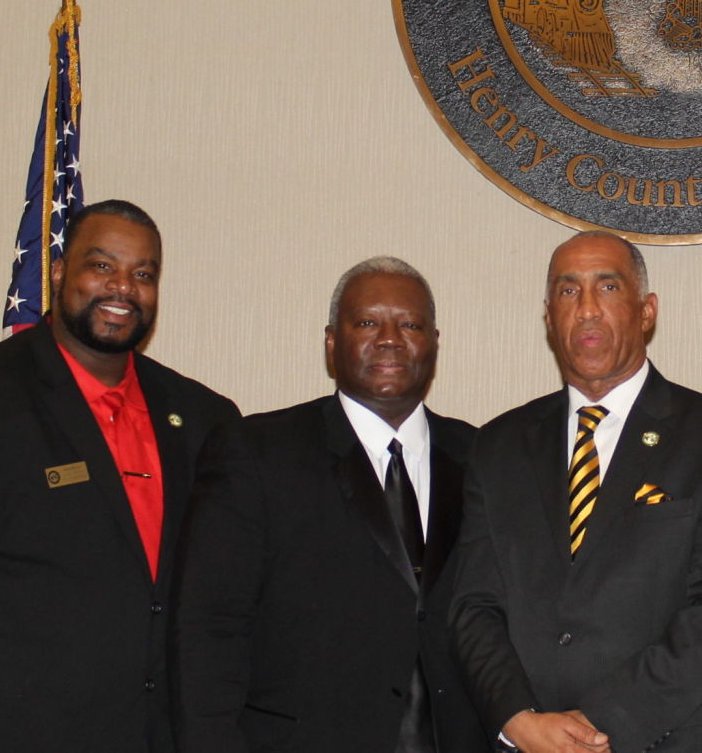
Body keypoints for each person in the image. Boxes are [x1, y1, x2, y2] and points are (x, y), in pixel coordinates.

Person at [0, 200, 239, 753]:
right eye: (102, 265)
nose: (122, 287)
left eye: (143, 274)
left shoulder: (205, 418)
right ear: (59, 271)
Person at [451, 230, 702, 753]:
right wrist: (517, 720)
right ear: (549, 316)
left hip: (667, 738)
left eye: (607, 287)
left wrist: (600, 722)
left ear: (647, 311)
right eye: (568, 291)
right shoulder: (499, 445)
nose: (588, 310)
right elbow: (474, 606)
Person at [172, 256, 486, 753]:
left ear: (433, 342)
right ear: (331, 342)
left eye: (410, 324)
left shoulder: (484, 459)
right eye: (367, 322)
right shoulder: (256, 452)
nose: (389, 338)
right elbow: (208, 629)